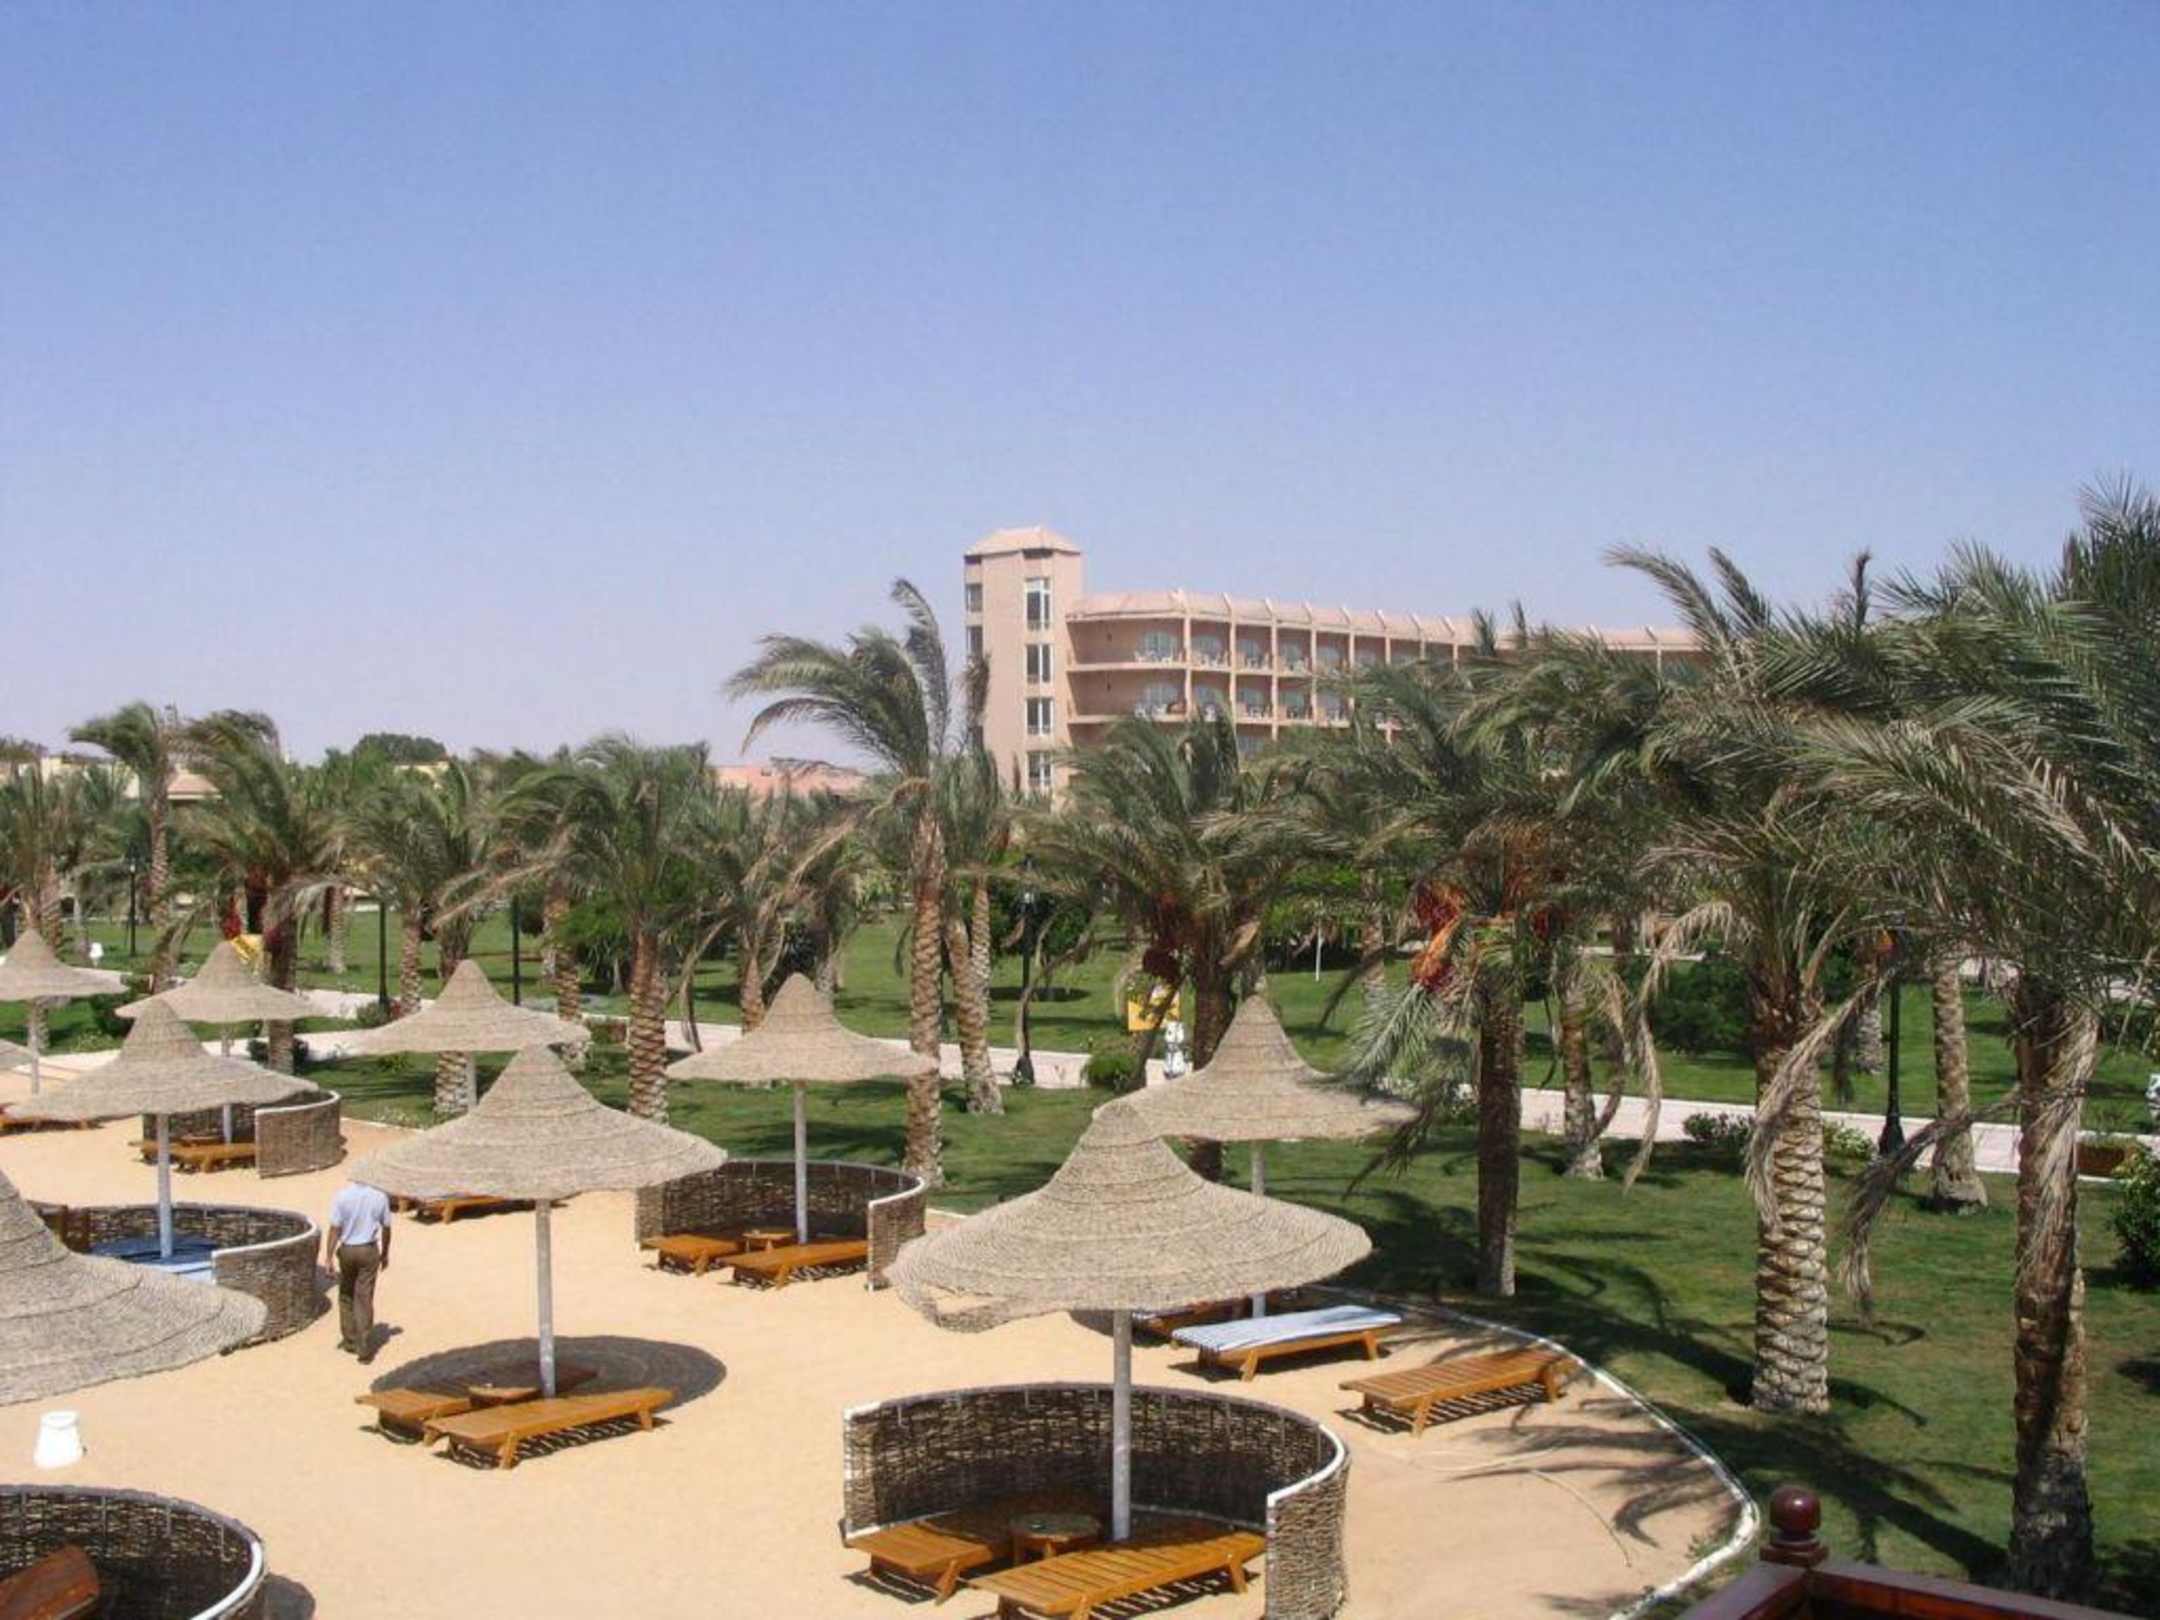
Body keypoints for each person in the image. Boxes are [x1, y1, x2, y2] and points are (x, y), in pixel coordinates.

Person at [324, 1178, 393, 1362]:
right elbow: (386, 1228)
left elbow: (334, 1229)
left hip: (347, 1250)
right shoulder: (380, 1197)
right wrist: (385, 1253)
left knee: (346, 1295)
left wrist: (329, 1257)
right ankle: (363, 1347)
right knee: (364, 1297)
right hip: (368, 1250)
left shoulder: (341, 1196)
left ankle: (350, 1340)